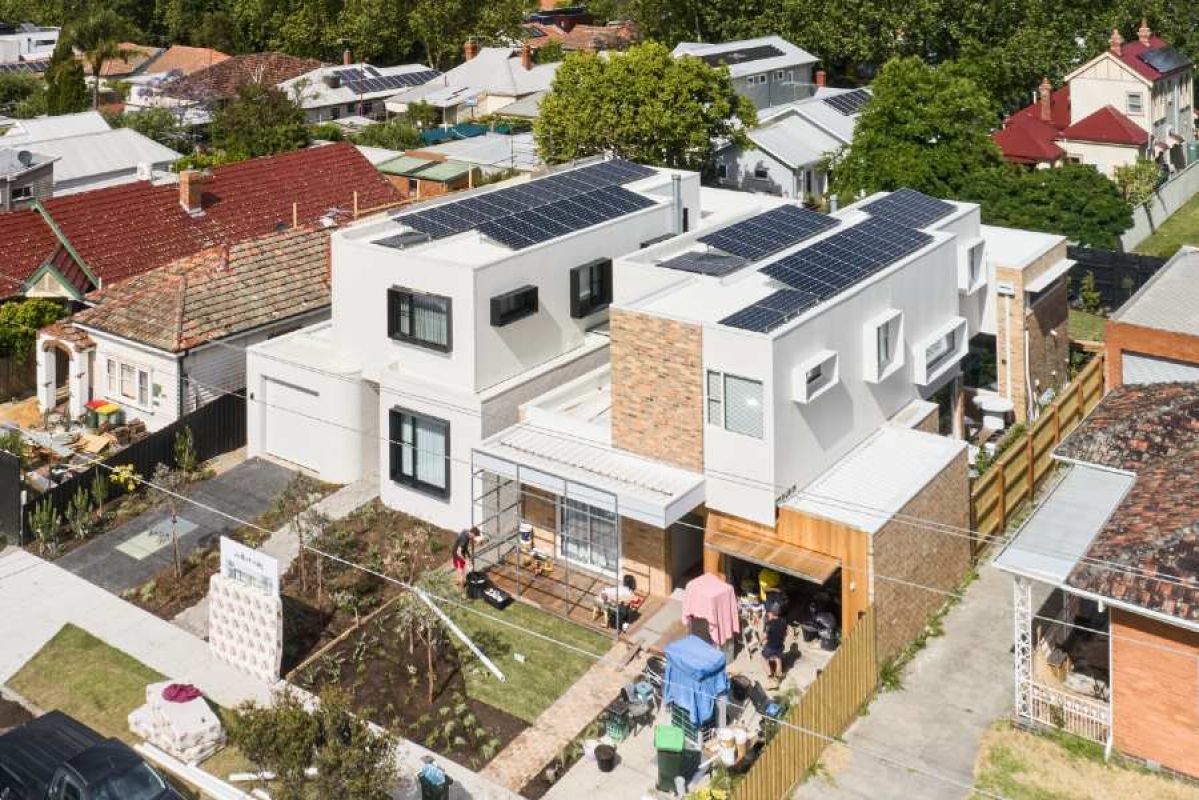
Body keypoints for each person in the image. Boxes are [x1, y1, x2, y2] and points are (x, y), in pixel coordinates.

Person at [762, 607, 787, 684]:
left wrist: (760, 641)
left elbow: (765, 636)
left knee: (763, 659)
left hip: (770, 646)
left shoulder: (769, 623)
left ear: (772, 613)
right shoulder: (783, 621)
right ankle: (778, 677)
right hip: (780, 645)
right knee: (778, 658)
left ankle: (770, 678)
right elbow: (786, 633)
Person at [453, 527, 481, 592]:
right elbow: (459, 552)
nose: (475, 537)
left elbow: (464, 547)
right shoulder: (465, 539)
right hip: (458, 554)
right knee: (462, 572)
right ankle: (461, 588)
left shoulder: (466, 532)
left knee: (458, 569)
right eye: (475, 535)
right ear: (472, 533)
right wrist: (466, 561)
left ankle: (458, 582)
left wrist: (468, 556)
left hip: (455, 551)